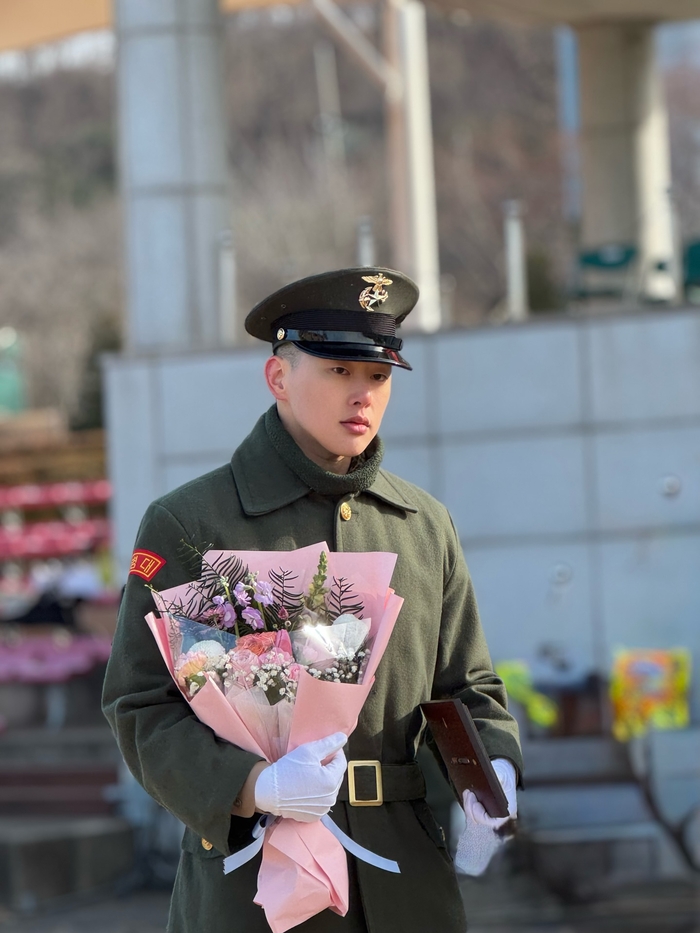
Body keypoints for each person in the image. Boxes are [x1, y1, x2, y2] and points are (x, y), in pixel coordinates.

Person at [102, 267, 523, 933]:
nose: (362, 394)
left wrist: (490, 772)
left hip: (404, 879)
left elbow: (467, 684)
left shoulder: (421, 524)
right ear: (278, 377)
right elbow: (140, 704)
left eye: (379, 377)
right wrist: (249, 785)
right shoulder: (196, 524)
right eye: (337, 371)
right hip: (253, 883)